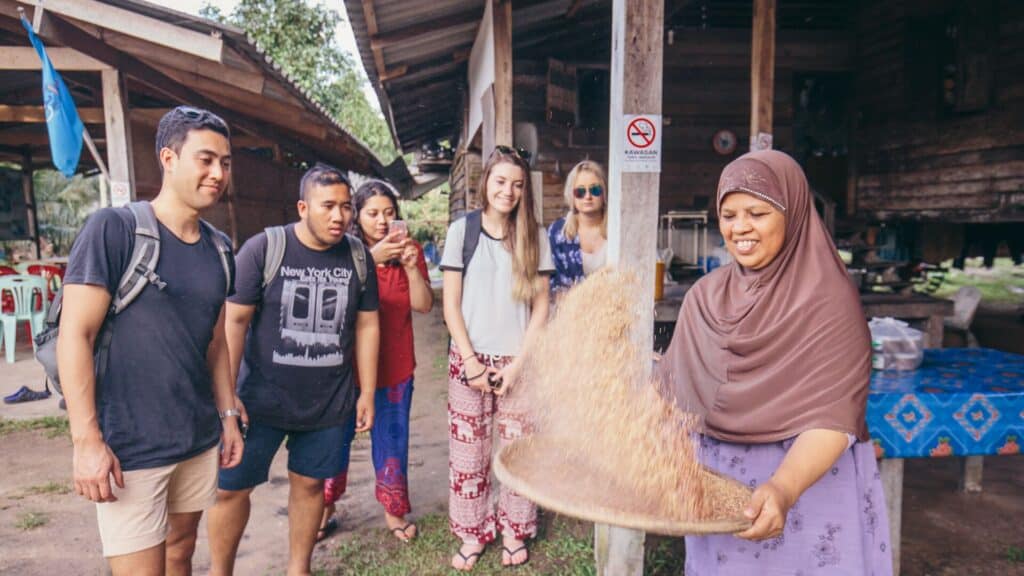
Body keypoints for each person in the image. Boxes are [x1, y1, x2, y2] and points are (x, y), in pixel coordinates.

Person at [658, 150, 891, 575]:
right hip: (720, 482)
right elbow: (673, 396)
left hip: (806, 481)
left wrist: (784, 488)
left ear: (794, 213)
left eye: (757, 213)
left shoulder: (828, 302)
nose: (740, 227)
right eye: (728, 215)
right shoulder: (704, 297)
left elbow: (836, 416)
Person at [58, 106, 243, 575]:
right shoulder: (114, 230)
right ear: (169, 158)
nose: (217, 173)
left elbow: (215, 340)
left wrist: (227, 416)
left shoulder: (220, 247)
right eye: (205, 159)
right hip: (130, 449)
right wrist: (87, 442)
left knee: (181, 551)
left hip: (195, 437)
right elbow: (75, 335)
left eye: (224, 162)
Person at [207, 164, 380, 576]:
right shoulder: (265, 249)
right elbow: (234, 321)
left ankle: (298, 569)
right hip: (258, 402)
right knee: (232, 490)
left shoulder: (357, 257)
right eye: (327, 207)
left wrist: (368, 391)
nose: (339, 217)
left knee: (310, 485)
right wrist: (227, 396)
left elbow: (368, 322)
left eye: (345, 207)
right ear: (303, 207)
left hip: (328, 403)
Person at [439, 145, 554, 571]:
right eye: (501, 181)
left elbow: (540, 308)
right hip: (468, 360)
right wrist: (469, 360)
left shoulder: (533, 236)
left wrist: (518, 366)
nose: (508, 191)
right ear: (485, 183)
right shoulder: (462, 232)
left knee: (516, 451)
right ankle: (472, 532)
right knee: (468, 453)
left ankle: (514, 531)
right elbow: (451, 303)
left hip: (517, 360)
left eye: (518, 184)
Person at [319, 179, 433, 542]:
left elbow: (423, 305)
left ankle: (393, 510)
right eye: (372, 213)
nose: (382, 221)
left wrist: (412, 267)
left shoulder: (409, 249)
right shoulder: (341, 251)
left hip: (395, 365)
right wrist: (371, 260)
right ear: (357, 215)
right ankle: (323, 508)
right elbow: (330, 304)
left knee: (392, 440)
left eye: (389, 213)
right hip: (344, 370)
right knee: (333, 440)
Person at [548, 160, 608, 294]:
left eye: (595, 190)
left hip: (614, 309)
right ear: (571, 196)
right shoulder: (557, 232)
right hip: (571, 310)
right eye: (580, 192)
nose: (588, 196)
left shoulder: (618, 229)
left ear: (604, 194)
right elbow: (553, 284)